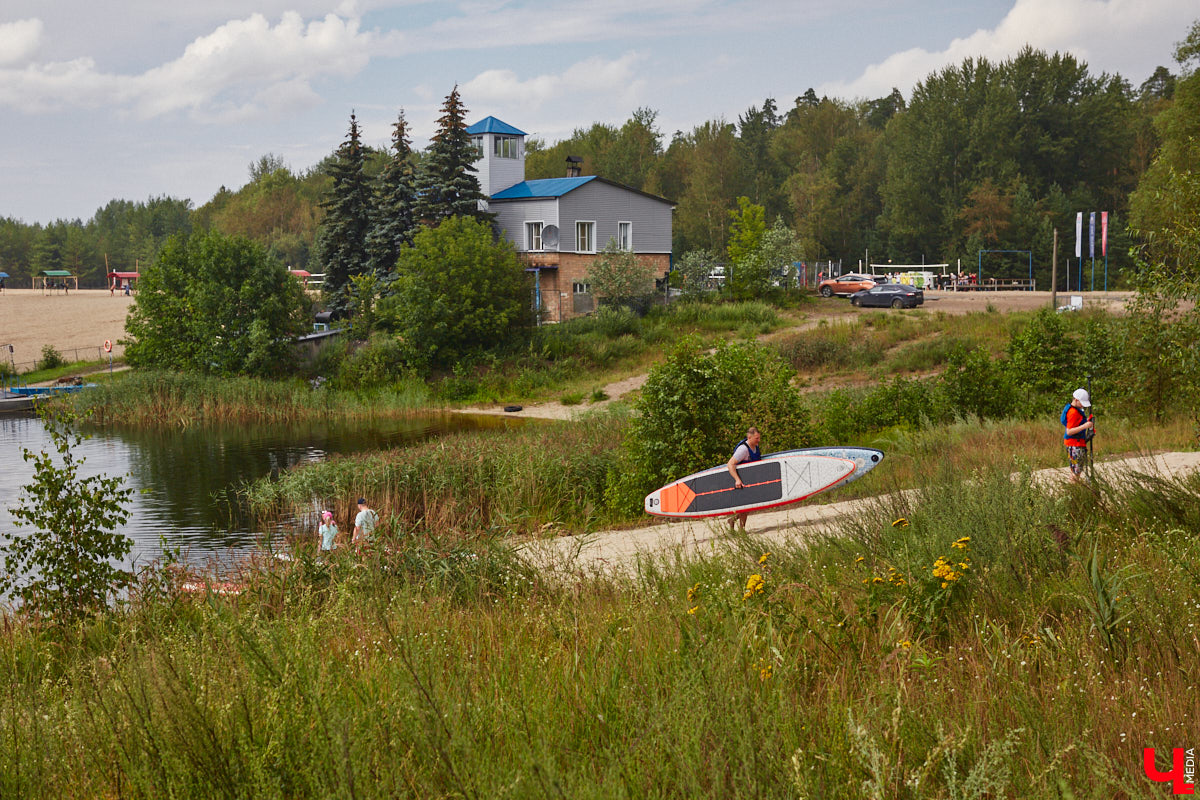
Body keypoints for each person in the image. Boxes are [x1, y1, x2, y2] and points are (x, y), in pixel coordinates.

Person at [726, 426, 762, 532]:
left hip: (751, 480)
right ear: (749, 437)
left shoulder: (755, 446)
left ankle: (732, 520)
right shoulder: (743, 449)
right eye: (756, 438)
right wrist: (737, 479)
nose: (759, 440)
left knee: (749, 507)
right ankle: (741, 530)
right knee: (746, 507)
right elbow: (730, 464)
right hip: (741, 481)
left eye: (759, 438)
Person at [1063, 388, 1094, 482]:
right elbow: (1069, 431)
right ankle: (1073, 493)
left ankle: (1074, 491)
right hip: (1074, 445)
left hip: (1076, 444)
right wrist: (1085, 426)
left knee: (1076, 471)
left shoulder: (1076, 410)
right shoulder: (1073, 412)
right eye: (1082, 403)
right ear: (1076, 400)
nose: (1083, 406)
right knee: (1076, 472)